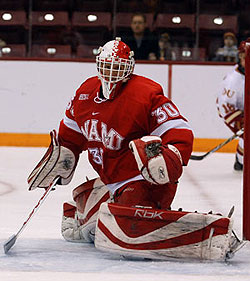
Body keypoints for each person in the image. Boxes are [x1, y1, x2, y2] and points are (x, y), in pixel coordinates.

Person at [30, 38, 242, 261]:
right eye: (107, 66)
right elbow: (71, 134)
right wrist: (64, 154)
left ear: (129, 67)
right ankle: (85, 209)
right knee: (108, 222)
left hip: (144, 179)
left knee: (124, 232)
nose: (111, 73)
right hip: (111, 178)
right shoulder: (85, 92)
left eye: (118, 67)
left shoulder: (145, 93)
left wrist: (170, 156)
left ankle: (207, 234)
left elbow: (179, 130)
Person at [216, 37, 250, 171]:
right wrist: (243, 121)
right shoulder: (233, 81)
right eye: (244, 57)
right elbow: (226, 109)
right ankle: (241, 162)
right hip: (233, 112)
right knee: (247, 135)